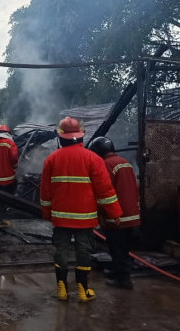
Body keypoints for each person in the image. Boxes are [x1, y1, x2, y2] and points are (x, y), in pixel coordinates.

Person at [40, 117, 122, 303]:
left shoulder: (51, 160)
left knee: (61, 249)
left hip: (60, 218)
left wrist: (47, 214)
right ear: (81, 136)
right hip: (85, 218)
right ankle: (83, 290)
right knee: (83, 251)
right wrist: (114, 213)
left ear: (61, 137)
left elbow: (45, 192)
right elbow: (105, 191)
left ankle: (62, 289)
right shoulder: (93, 159)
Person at [89, 136, 140, 290]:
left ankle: (124, 280)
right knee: (123, 247)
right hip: (132, 214)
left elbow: (104, 192)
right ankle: (117, 271)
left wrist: (103, 214)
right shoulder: (125, 162)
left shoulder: (105, 165)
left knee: (116, 248)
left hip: (117, 216)